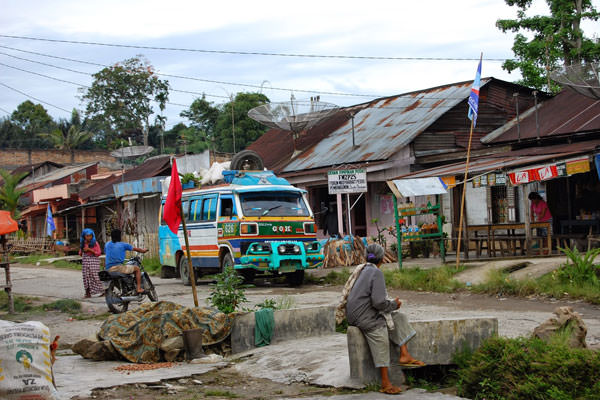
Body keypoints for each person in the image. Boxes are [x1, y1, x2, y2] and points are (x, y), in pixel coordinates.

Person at [339, 243, 424, 395]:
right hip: (363, 316)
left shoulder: (364, 269)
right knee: (379, 329)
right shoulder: (376, 273)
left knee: (398, 317)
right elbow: (378, 302)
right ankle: (385, 383)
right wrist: (393, 304)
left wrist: (392, 307)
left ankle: (404, 355)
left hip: (355, 313)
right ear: (382, 259)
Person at [104, 229, 148, 294]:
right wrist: (143, 250)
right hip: (118, 267)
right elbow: (136, 249)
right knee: (137, 269)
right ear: (119, 236)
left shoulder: (107, 244)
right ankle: (139, 288)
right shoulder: (123, 245)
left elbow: (106, 252)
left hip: (107, 268)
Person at [80, 228, 104, 298]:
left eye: (90, 236)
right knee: (86, 277)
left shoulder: (95, 243)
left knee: (95, 277)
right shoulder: (83, 243)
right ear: (84, 236)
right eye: (87, 236)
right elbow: (80, 253)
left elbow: (99, 253)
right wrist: (82, 251)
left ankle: (104, 291)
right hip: (85, 262)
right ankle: (87, 293)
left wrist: (90, 250)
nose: (89, 237)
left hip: (94, 262)